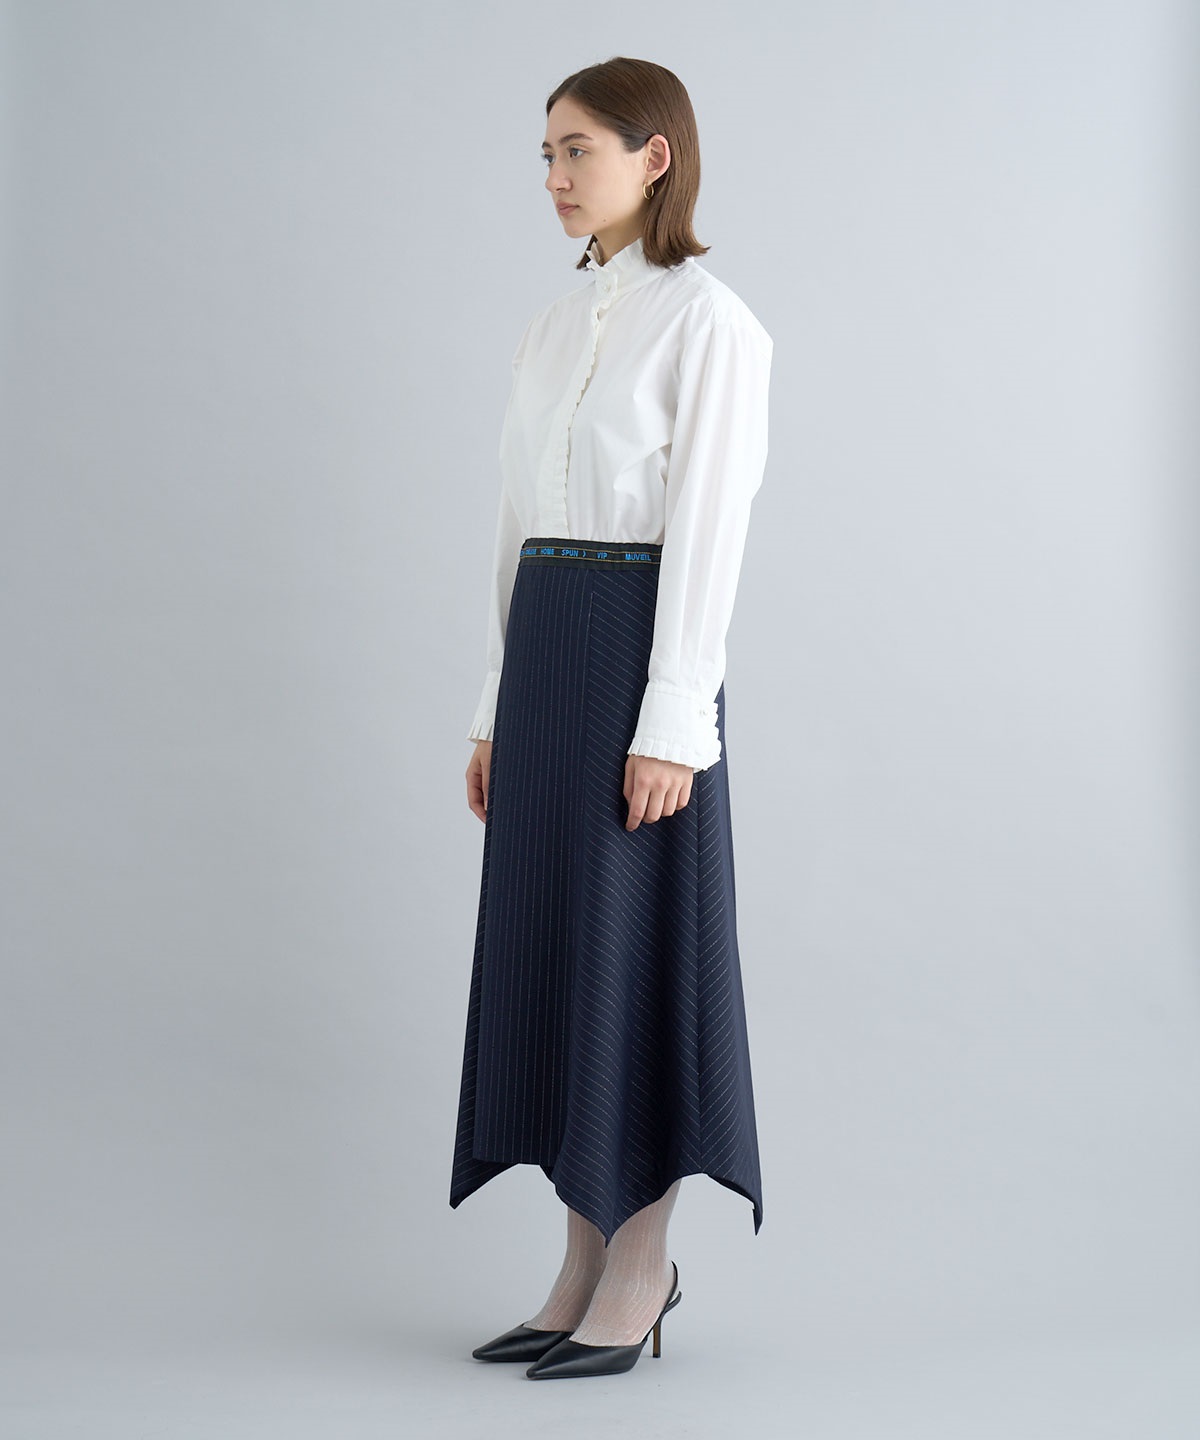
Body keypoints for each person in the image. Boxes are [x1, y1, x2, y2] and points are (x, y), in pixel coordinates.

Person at [448, 56, 772, 1380]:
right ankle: (580, 1263)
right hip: (546, 663)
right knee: (560, 957)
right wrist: (493, 707)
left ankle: (641, 1268)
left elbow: (709, 530)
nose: (555, 176)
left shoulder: (710, 324)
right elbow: (517, 527)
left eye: (576, 149)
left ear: (656, 156)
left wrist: (673, 720)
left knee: (633, 958)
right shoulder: (550, 327)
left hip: (639, 665)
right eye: (545, 154)